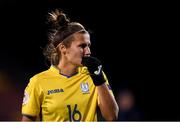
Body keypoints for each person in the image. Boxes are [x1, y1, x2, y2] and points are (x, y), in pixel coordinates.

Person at [21, 8, 119, 121]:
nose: (88, 52)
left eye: (89, 45)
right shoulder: (38, 82)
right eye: (82, 46)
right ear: (63, 48)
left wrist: (99, 79)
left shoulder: (95, 76)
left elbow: (112, 117)